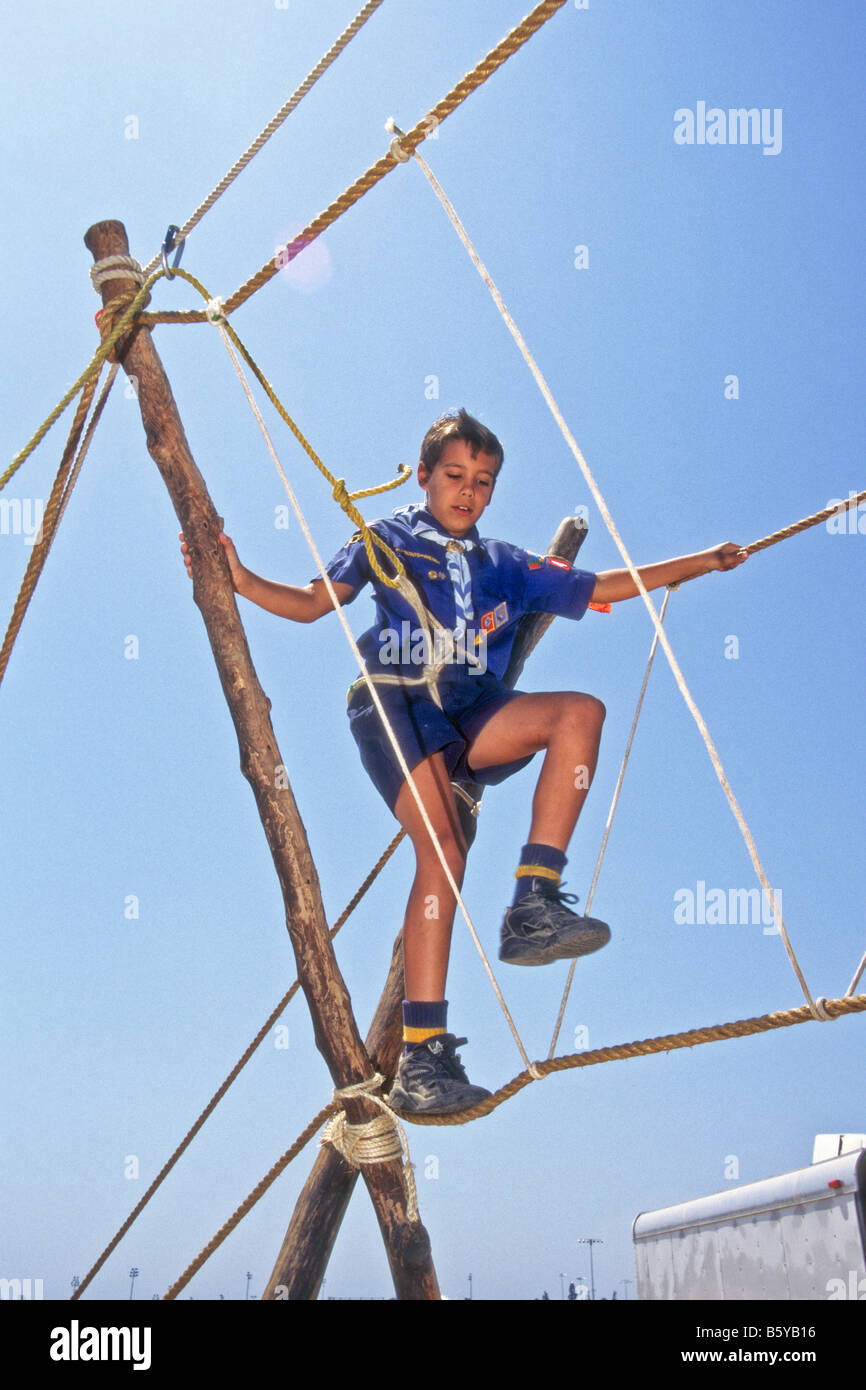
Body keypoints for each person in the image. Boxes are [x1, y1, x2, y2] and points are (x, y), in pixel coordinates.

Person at [180, 409, 747, 1115]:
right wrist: (240, 578)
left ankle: (533, 904)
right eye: (454, 476)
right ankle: (422, 1057)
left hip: (472, 710)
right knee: (443, 851)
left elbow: (600, 586)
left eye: (483, 481)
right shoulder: (385, 539)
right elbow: (310, 603)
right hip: (396, 702)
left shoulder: (502, 563)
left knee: (581, 712)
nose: (468, 492)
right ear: (423, 477)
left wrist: (697, 562)